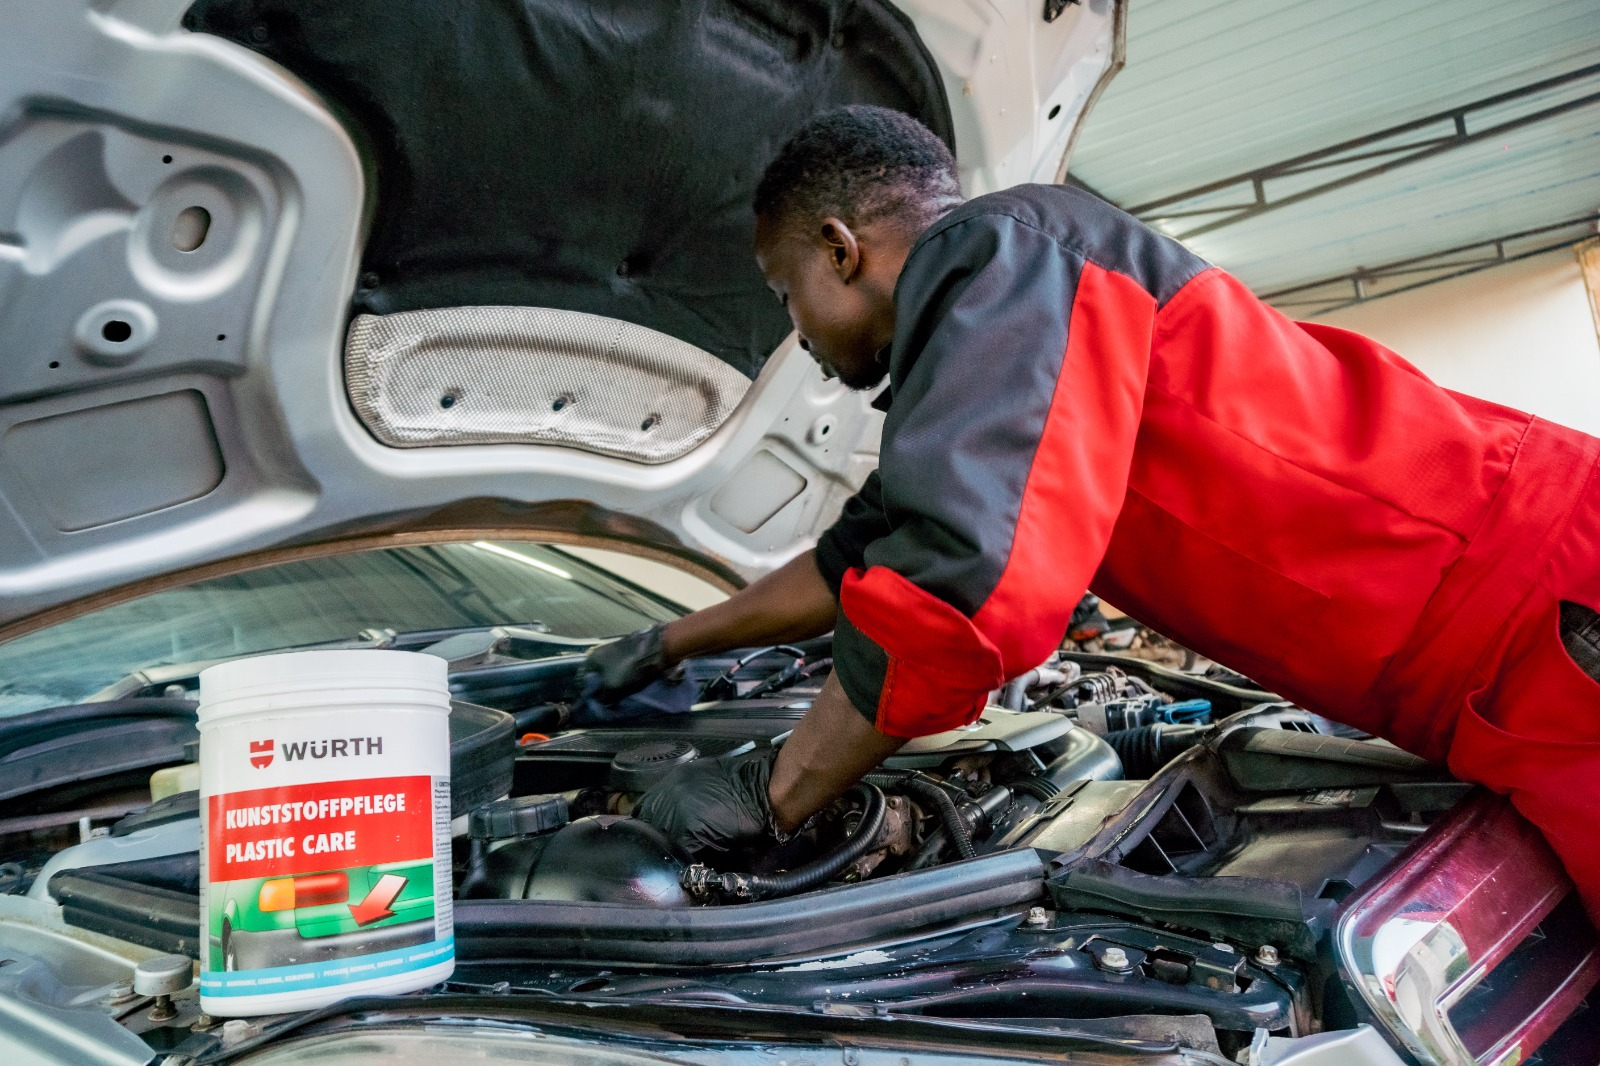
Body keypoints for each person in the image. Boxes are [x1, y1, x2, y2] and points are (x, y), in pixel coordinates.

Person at [584, 105, 1600, 917]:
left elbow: (962, 585)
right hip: (1488, 660)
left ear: (838, 246)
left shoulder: (1000, 258)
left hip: (1544, 608)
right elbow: (857, 556)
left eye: (783, 290)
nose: (793, 330)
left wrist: (775, 793)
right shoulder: (992, 335)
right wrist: (664, 644)